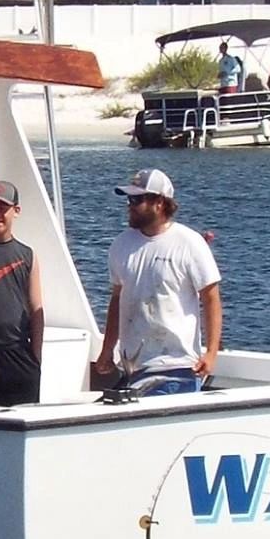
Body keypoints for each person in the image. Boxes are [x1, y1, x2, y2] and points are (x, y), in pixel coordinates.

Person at [91, 168, 223, 397]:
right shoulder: (121, 245)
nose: (129, 205)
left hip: (177, 368)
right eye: (129, 199)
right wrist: (107, 350)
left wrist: (211, 354)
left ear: (159, 203)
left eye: (137, 199)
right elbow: (117, 299)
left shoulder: (189, 243)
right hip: (134, 368)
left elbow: (211, 298)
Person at [0, 180, 42, 407]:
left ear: (16, 211)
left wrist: (36, 357)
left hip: (17, 352)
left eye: (1, 209)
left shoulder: (27, 255)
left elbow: (36, 309)